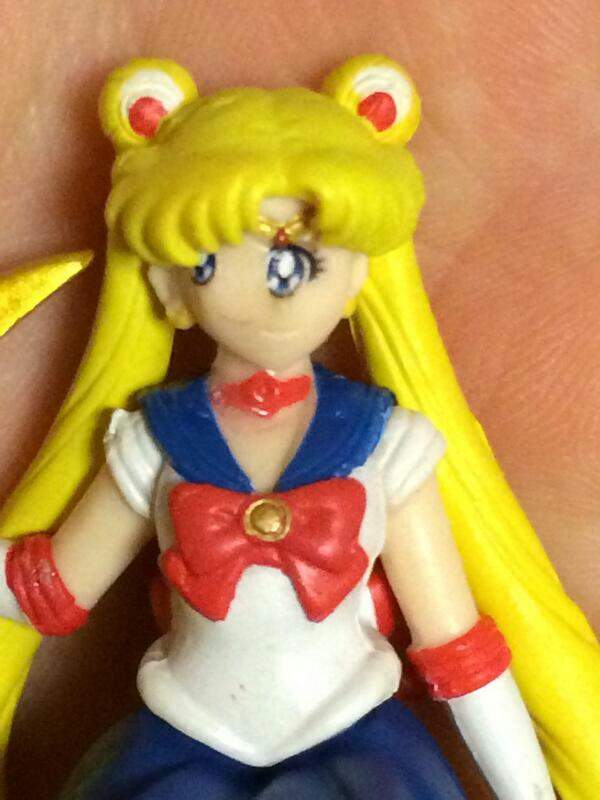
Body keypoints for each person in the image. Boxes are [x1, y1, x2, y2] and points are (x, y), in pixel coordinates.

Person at [0, 54, 596, 799]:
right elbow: (53, 588)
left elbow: (456, 645)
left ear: (355, 279)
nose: (269, 295)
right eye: (212, 263)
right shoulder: (154, 442)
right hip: (185, 736)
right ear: (170, 287)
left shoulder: (386, 446)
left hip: (355, 738)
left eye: (296, 265)